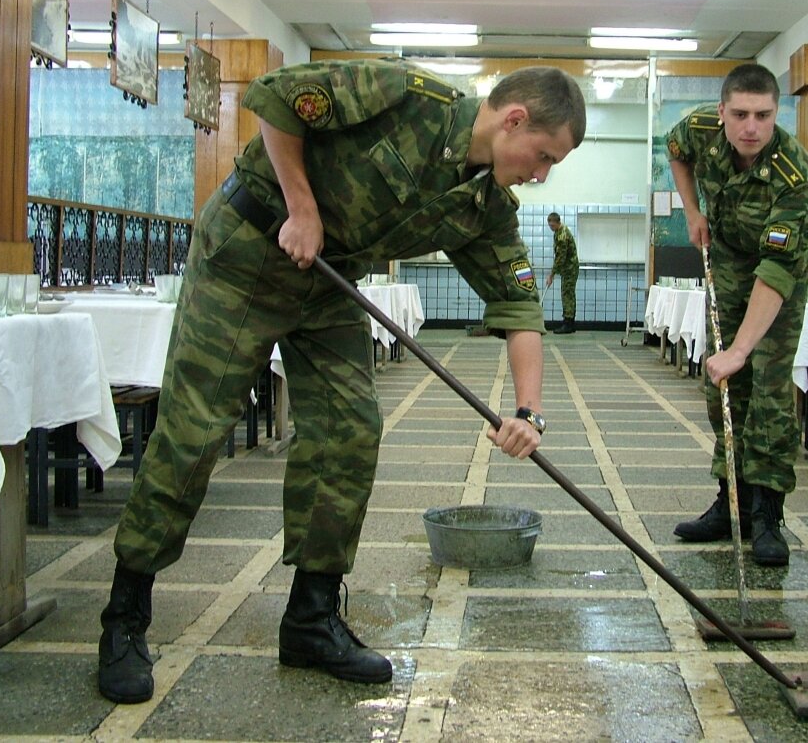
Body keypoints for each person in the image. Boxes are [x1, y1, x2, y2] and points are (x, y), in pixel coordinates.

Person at [97, 58, 586, 703]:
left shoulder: (483, 205)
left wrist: (530, 411)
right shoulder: (405, 97)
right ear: (514, 119)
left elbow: (520, 306)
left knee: (349, 430)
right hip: (247, 252)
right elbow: (275, 100)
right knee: (194, 430)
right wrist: (302, 205)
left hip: (326, 282)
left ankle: (311, 619)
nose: (542, 174)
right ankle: (125, 615)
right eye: (544, 155)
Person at [665, 63, 808, 567]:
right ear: (721, 113)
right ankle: (729, 503)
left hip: (778, 280)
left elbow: (776, 274)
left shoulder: (795, 176)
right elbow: (676, 152)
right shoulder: (700, 131)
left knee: (769, 389)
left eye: (763, 115)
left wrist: (740, 350)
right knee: (723, 387)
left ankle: (768, 515)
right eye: (740, 115)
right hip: (728, 261)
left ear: (777, 113)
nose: (751, 127)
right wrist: (692, 211)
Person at [545, 212, 579, 334]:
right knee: (569, 294)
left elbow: (560, 257)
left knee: (567, 295)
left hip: (570, 269)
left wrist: (551, 275)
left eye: (552, 226)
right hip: (569, 268)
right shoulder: (559, 232)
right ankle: (570, 322)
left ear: (557, 222)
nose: (551, 228)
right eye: (549, 226)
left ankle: (568, 324)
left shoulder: (562, 236)